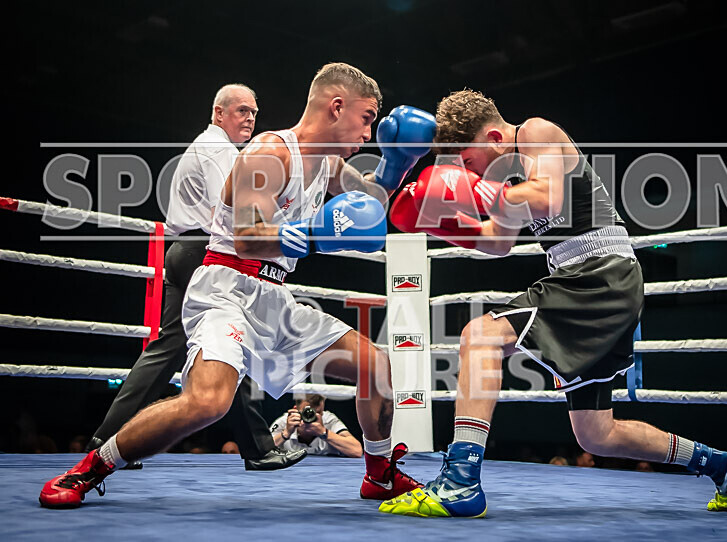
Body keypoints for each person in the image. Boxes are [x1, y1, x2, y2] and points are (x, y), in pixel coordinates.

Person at [39, 62, 436, 509]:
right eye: (366, 119)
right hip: (225, 289)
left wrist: (399, 161)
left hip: (274, 296)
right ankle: (91, 467)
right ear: (336, 106)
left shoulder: (326, 161)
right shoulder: (271, 152)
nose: (368, 134)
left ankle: (379, 475)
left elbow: (369, 204)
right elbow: (247, 237)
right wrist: (315, 233)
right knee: (208, 402)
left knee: (377, 368)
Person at [382, 89, 727, 518]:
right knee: (597, 435)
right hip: (584, 278)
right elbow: (498, 243)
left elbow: (548, 199)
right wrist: (441, 223)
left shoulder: (537, 133)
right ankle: (724, 465)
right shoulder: (506, 180)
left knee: (479, 335)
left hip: (600, 273)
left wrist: (470, 189)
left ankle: (461, 482)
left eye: (468, 161)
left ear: (493, 139)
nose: (467, 171)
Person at [85, 84, 305, 472]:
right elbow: (234, 208)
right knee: (223, 346)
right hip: (205, 253)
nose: (250, 118)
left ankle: (109, 438)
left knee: (189, 348)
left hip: (190, 251)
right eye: (241, 111)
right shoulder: (219, 150)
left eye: (254, 112)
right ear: (218, 113)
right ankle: (256, 448)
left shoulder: (212, 146)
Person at [271, 394, 362, 458]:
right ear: (296, 409)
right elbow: (261, 451)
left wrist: (324, 433)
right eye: (306, 413)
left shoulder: (328, 420)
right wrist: (285, 433)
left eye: (318, 413)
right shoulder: (285, 422)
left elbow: (356, 450)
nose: (312, 417)